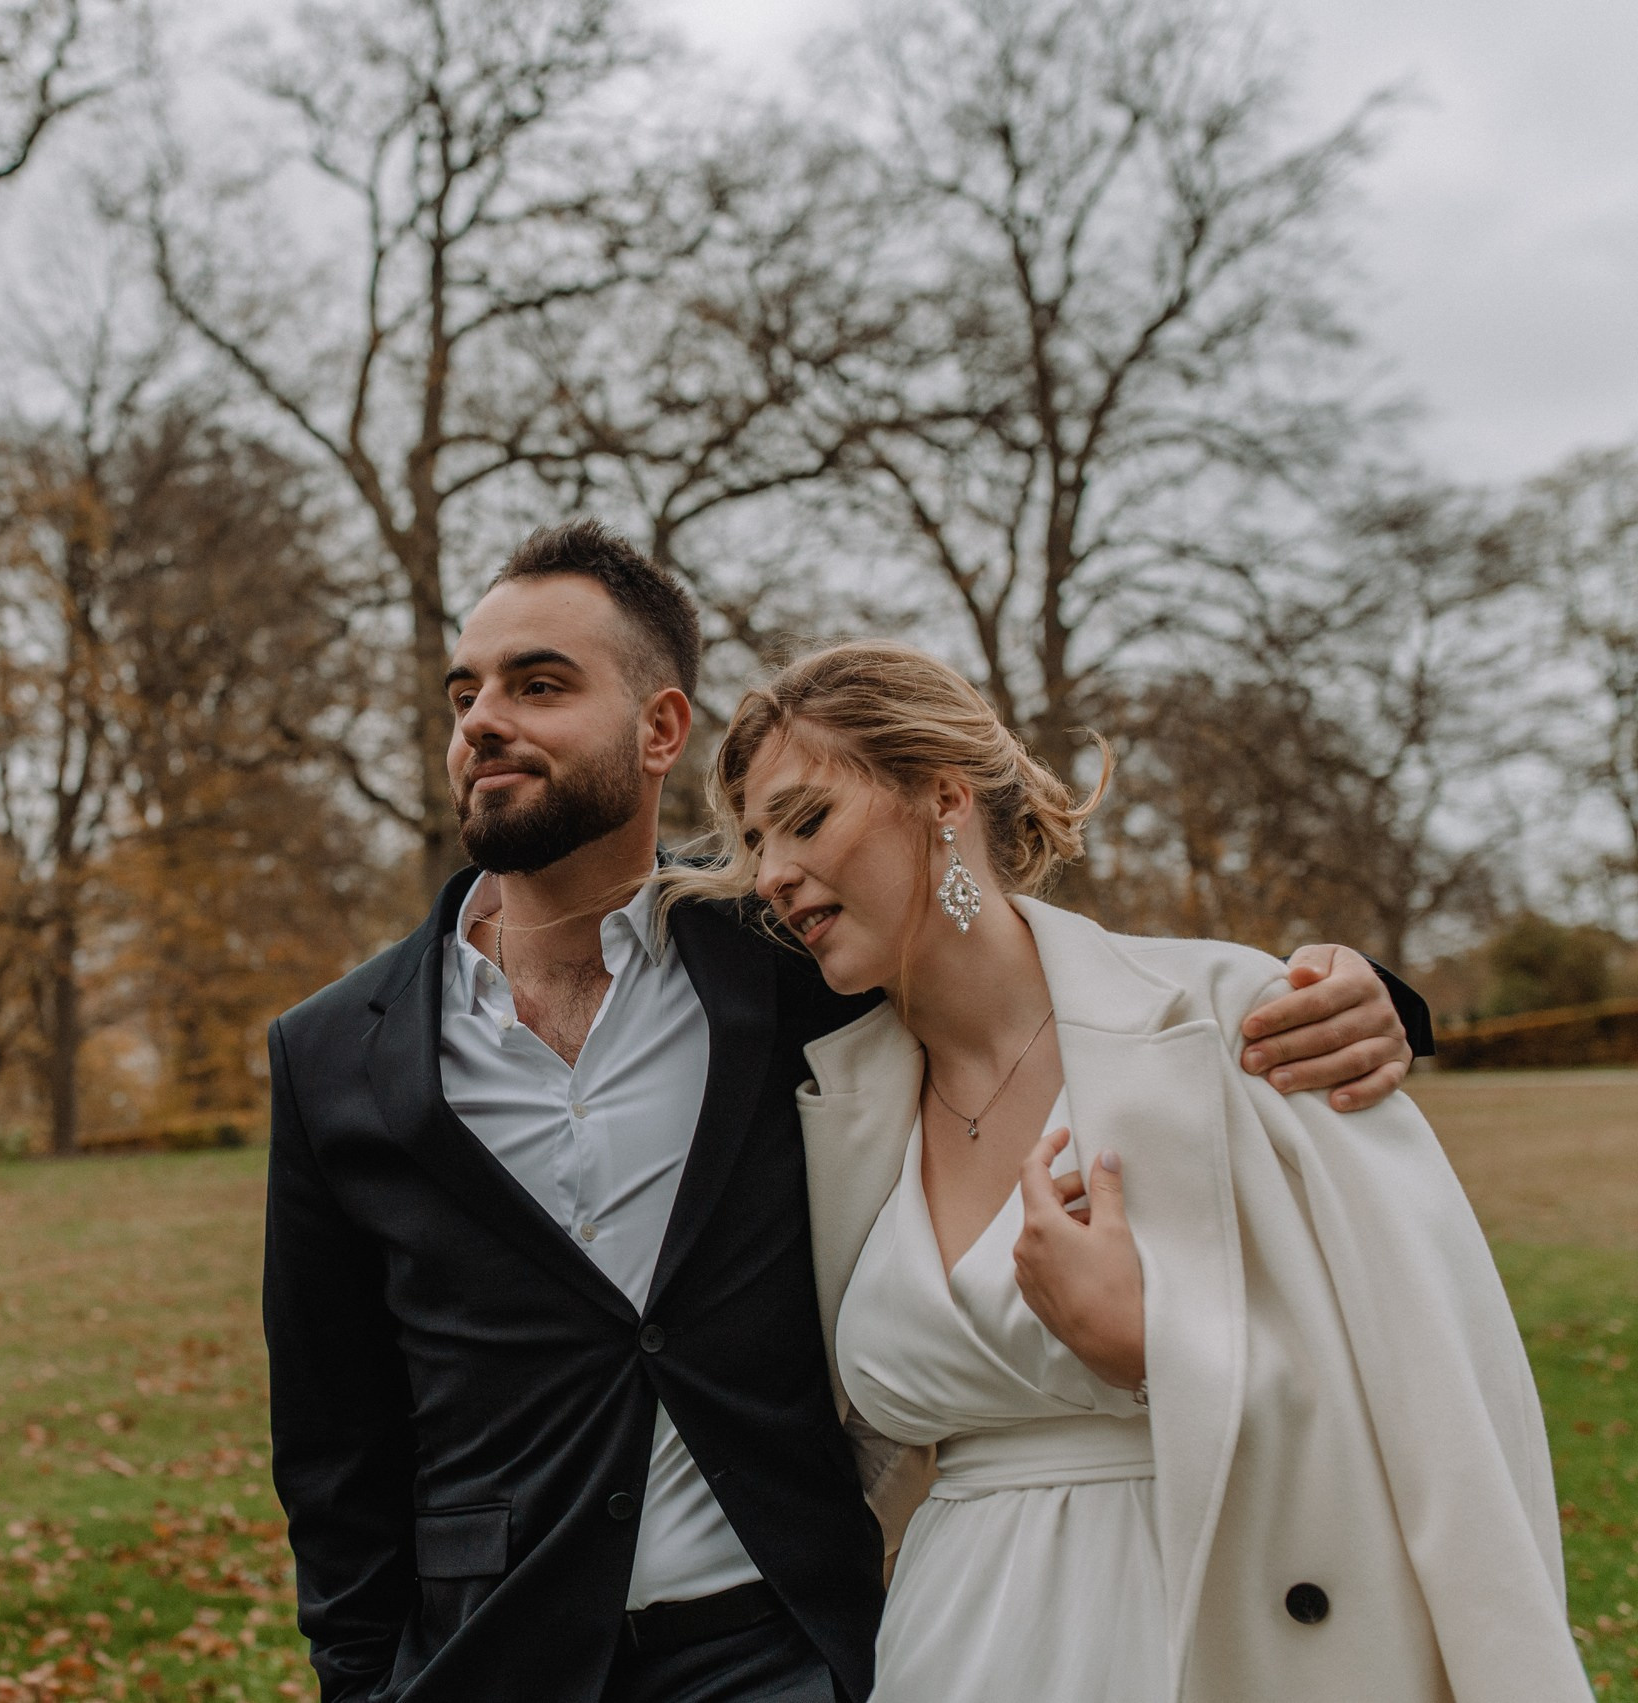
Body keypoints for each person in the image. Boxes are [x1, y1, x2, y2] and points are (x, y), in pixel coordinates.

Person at [262, 520, 1432, 1703]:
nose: (481, 720)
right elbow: (332, 1437)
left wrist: (1373, 998)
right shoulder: (334, 1055)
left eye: (539, 683)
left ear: (659, 726)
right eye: (465, 691)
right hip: (490, 1657)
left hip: (777, 1650)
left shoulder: (781, 965)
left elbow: (1011, 969)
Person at [662, 638, 1586, 1703]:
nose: (771, 873)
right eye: (755, 840)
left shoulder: (1230, 1020)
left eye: (807, 817)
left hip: (1207, 1635)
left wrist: (1154, 1349)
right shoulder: (826, 1106)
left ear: (943, 797)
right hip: (942, 1646)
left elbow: (1436, 1394)